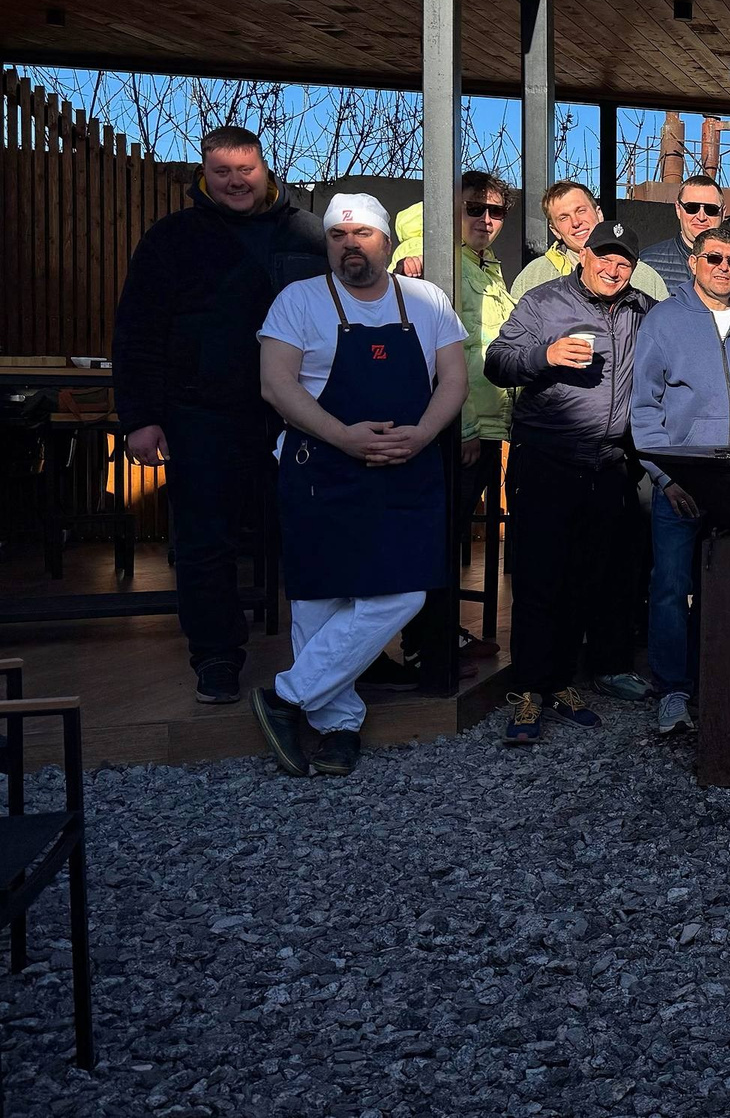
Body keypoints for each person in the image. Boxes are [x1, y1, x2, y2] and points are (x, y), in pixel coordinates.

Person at [253, 194, 467, 777]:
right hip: (320, 467)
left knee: (404, 592)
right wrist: (342, 437)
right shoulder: (298, 300)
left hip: (406, 467)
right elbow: (276, 385)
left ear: (387, 242)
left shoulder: (426, 300)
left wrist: (423, 434)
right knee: (319, 600)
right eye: (338, 235)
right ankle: (338, 726)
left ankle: (286, 697)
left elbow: (453, 379)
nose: (350, 244)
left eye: (363, 234)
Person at [112, 125, 326, 703]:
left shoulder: (309, 234)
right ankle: (216, 656)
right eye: (222, 172)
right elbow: (137, 331)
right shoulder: (172, 238)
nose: (236, 181)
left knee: (315, 532)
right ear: (203, 175)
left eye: (245, 170)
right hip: (202, 414)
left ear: (265, 170)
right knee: (205, 540)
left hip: (299, 413)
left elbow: (353, 299)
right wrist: (139, 417)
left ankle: (331, 655)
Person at [483, 220, 654, 743]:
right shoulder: (544, 302)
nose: (613, 269)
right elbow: (497, 363)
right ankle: (527, 692)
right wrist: (546, 356)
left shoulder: (642, 309)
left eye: (623, 262)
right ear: (584, 255)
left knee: (585, 580)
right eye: (604, 257)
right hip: (547, 460)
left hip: (607, 464)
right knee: (538, 579)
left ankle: (559, 684)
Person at [629, 225, 730, 736]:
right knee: (670, 588)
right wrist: (666, 477)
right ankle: (673, 691)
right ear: (694, 262)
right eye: (714, 258)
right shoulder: (664, 320)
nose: (724, 268)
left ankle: (724, 681)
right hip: (683, 485)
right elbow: (645, 407)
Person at [389, 173, 516, 670]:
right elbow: (435, 354)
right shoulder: (438, 261)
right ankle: (425, 646)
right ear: (450, 210)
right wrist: (460, 427)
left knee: (451, 535)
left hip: (487, 425)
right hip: (460, 429)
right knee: (437, 539)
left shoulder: (484, 266)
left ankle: (442, 634)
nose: (485, 219)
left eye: (495, 211)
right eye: (473, 208)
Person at [508, 179, 667, 302]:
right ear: (555, 230)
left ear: (599, 214)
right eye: (564, 218)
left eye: (581, 211)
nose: (576, 222)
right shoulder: (533, 277)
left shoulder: (644, 277)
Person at [637, 171, 727, 294]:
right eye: (692, 208)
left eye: (711, 209)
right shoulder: (647, 265)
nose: (701, 217)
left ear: (723, 213)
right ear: (678, 209)